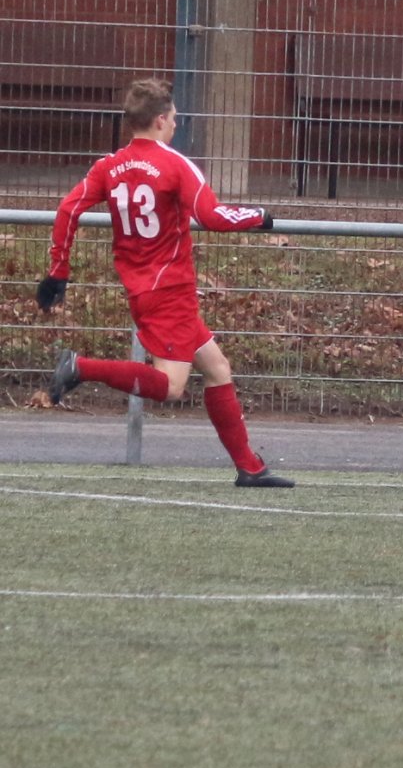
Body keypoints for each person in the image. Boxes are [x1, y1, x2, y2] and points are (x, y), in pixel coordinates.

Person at [37, 78, 292, 488]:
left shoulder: (109, 166)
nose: (176, 124)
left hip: (146, 290)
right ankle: (81, 367)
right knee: (171, 387)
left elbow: (68, 209)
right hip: (169, 291)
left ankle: (250, 467)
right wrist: (259, 215)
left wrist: (58, 271)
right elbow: (212, 215)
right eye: (174, 117)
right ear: (160, 120)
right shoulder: (174, 164)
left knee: (217, 368)